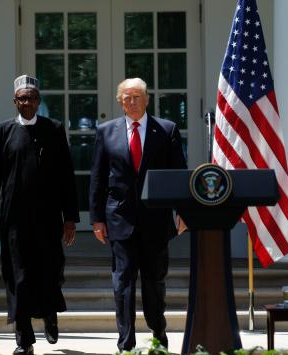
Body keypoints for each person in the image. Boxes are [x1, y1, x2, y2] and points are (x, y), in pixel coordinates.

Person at [0, 75, 80, 355]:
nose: (27, 102)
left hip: (48, 218)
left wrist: (70, 218)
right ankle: (24, 339)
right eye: (22, 98)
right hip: (14, 219)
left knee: (50, 272)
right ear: (15, 101)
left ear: (39, 101)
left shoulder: (54, 129)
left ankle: (50, 314)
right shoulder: (2, 132)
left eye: (32, 98)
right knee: (18, 278)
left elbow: (66, 177)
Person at [89, 78, 187, 351]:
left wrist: (184, 212)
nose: (132, 102)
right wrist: (97, 218)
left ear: (146, 100)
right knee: (123, 282)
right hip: (119, 220)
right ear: (120, 101)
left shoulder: (166, 130)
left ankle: (159, 333)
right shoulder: (106, 131)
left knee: (154, 283)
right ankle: (126, 342)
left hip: (156, 220)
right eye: (127, 98)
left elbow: (179, 174)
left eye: (137, 97)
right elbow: (98, 178)